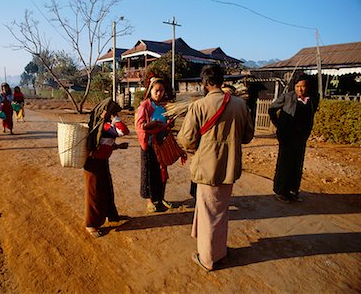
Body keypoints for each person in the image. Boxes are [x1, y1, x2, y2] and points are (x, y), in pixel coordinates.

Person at [177, 65, 254, 272]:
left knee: (209, 213)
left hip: (207, 168)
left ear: (204, 83)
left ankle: (208, 259)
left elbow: (186, 140)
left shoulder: (199, 106)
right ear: (221, 80)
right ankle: (218, 251)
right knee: (220, 212)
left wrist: (199, 146)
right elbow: (247, 137)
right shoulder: (240, 105)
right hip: (229, 167)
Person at [268, 74, 319, 203]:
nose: (300, 89)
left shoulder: (313, 99)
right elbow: (272, 109)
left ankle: (293, 191)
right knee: (284, 164)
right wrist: (279, 125)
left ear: (307, 87)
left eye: (303, 86)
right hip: (287, 136)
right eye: (297, 86)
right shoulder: (287, 97)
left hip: (301, 137)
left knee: (297, 164)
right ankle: (280, 191)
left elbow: (311, 114)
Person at [84, 97, 130, 238]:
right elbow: (123, 131)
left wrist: (117, 146)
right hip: (94, 164)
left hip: (101, 162)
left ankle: (110, 215)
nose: (116, 116)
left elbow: (104, 143)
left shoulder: (103, 127)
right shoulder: (103, 126)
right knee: (94, 194)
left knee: (106, 190)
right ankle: (91, 224)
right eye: (114, 113)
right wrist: (115, 119)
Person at [135, 76, 182, 213]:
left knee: (162, 170)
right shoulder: (145, 106)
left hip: (162, 141)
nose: (159, 93)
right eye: (156, 90)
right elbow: (139, 126)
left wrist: (170, 122)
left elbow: (169, 123)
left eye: (161, 90)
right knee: (149, 172)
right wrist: (152, 125)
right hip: (149, 143)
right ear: (150, 90)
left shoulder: (165, 106)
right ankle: (149, 201)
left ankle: (160, 197)